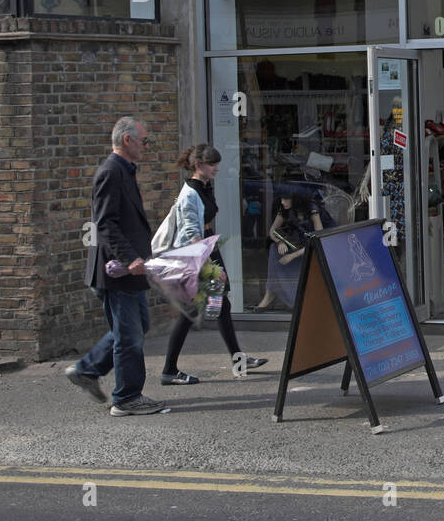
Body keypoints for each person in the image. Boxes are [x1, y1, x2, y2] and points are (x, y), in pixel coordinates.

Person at [65, 116, 167, 416]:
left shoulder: (123, 171)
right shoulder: (111, 172)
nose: (146, 147)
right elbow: (105, 223)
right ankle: (126, 398)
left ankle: (87, 369)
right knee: (129, 335)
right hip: (117, 271)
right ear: (127, 141)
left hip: (128, 270)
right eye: (144, 141)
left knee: (137, 327)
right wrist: (130, 258)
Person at [157, 144, 269, 385]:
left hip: (206, 251)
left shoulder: (204, 186)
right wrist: (209, 267)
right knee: (190, 311)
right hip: (195, 257)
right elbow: (191, 234)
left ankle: (239, 360)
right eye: (212, 164)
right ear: (199, 166)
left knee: (222, 306)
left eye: (217, 163)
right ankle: (168, 370)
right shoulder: (190, 194)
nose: (217, 168)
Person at [254, 190, 331, 310]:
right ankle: (269, 294)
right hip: (301, 242)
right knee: (274, 249)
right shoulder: (285, 208)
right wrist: (280, 241)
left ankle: (277, 296)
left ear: (295, 198)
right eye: (281, 199)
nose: (282, 202)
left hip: (320, 247)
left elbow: (319, 240)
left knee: (285, 256)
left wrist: (292, 256)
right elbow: (273, 230)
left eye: (286, 199)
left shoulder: (312, 209)